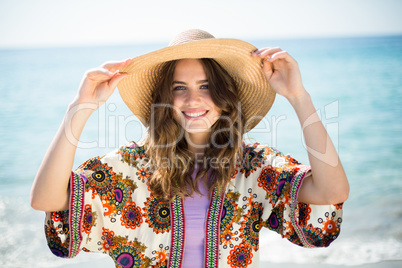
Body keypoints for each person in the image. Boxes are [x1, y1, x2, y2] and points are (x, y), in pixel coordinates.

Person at [31, 29, 349, 268]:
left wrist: (298, 97)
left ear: (225, 95)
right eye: (179, 88)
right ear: (165, 100)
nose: (192, 100)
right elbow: (46, 199)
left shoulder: (253, 167)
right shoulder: (132, 167)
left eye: (206, 86)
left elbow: (331, 191)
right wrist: (81, 106)